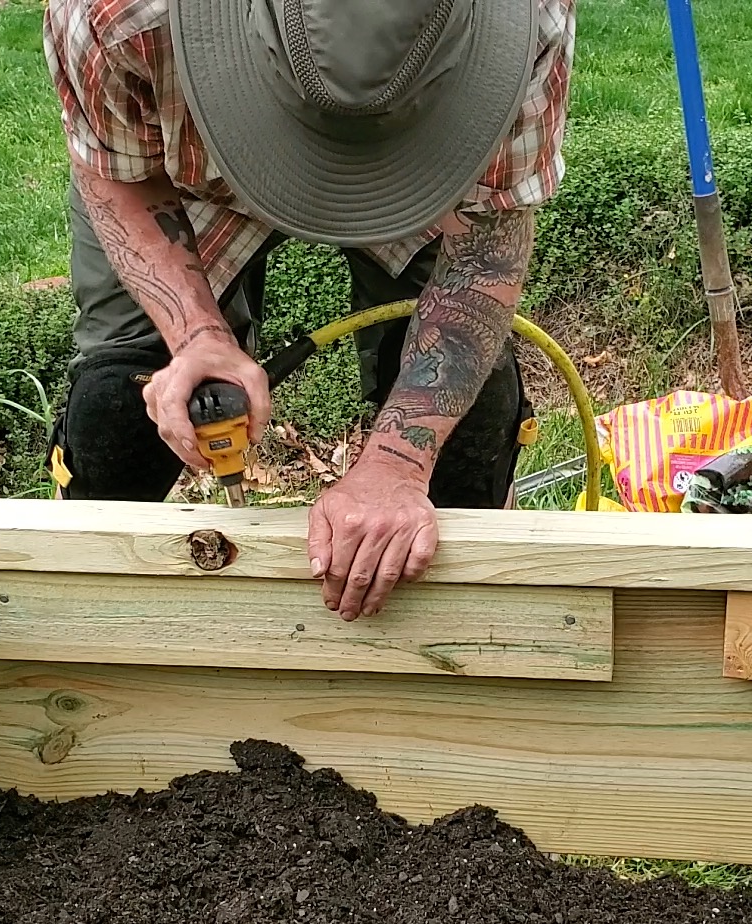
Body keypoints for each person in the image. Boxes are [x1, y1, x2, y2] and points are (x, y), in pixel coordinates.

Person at [42, 0, 574, 620]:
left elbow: (484, 251)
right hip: (186, 174)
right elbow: (116, 173)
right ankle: (84, 616)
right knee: (118, 406)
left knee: (469, 420)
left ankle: (466, 635)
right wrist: (195, 335)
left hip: (426, 172)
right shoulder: (117, 14)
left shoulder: (529, 18)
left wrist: (398, 464)